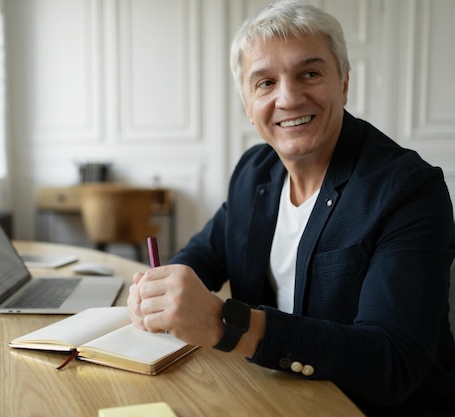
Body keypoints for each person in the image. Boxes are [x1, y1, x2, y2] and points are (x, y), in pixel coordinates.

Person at [127, 1, 455, 415]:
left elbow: (394, 362)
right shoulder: (254, 171)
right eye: (264, 83)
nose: (289, 97)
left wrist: (229, 325)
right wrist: (161, 291)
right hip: (271, 395)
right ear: (248, 105)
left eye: (310, 74)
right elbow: (204, 256)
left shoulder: (407, 188)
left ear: (344, 83)